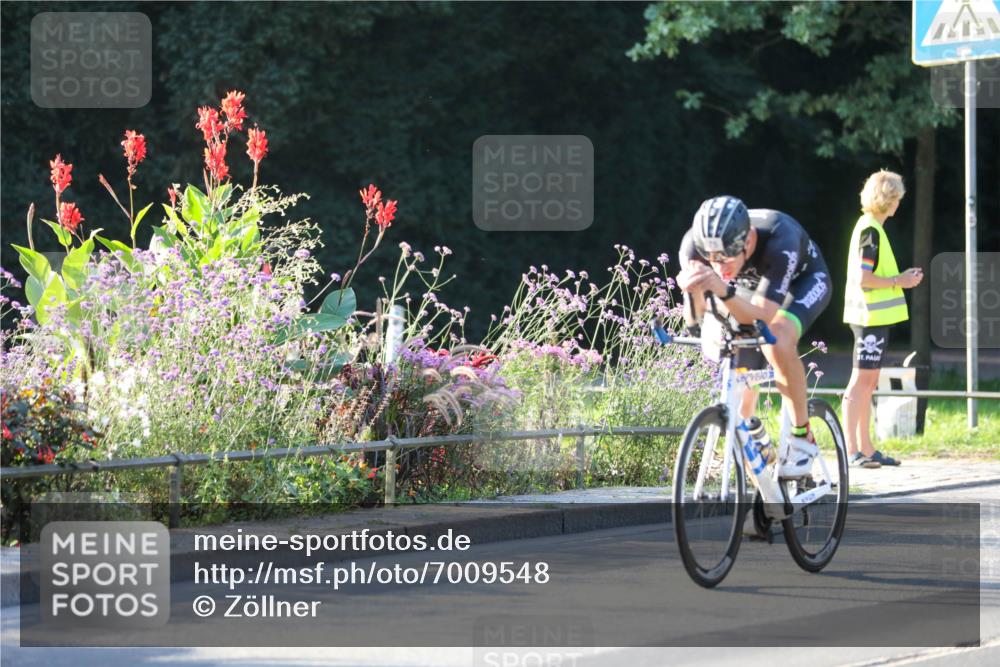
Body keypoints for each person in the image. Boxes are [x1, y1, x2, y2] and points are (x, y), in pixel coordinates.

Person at [676, 195, 832, 478]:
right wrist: (692, 290)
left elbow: (762, 317)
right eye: (713, 259)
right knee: (731, 349)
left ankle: (801, 436)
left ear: (747, 242)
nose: (720, 265)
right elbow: (694, 319)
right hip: (748, 288)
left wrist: (720, 288)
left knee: (778, 339)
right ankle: (753, 438)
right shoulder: (694, 245)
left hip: (800, 284)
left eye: (727, 257)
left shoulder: (780, 239)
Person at [842, 170, 922, 468]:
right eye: (898, 198)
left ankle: (866, 448)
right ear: (889, 199)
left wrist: (899, 280)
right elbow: (865, 278)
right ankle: (852, 450)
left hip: (873, 318)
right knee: (861, 382)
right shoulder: (871, 231)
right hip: (868, 318)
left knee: (869, 382)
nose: (899, 203)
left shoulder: (872, 227)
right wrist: (899, 280)